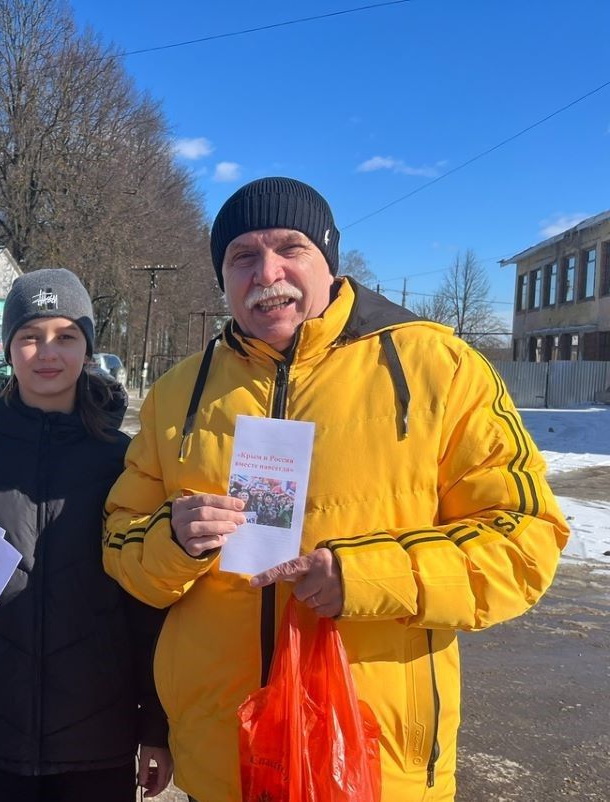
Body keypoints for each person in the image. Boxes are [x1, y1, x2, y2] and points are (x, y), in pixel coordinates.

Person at [102, 177, 569, 802]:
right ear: (223, 277)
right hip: (221, 762)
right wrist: (173, 541)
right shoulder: (178, 391)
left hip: (371, 764)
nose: (268, 272)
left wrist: (366, 578)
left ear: (329, 261)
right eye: (242, 256)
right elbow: (119, 537)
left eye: (290, 248)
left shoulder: (437, 365)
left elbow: (525, 540)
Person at [0, 269, 173, 802]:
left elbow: (148, 605)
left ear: (88, 349)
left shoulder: (125, 463)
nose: (48, 352)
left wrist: (156, 728)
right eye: (30, 336)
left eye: (66, 336)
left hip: (100, 736)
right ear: (7, 347)